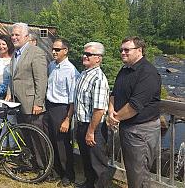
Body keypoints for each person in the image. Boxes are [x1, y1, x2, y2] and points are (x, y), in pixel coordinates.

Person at [108, 36, 161, 188]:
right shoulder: (125, 70)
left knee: (139, 175)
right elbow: (114, 93)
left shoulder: (148, 72)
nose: (123, 53)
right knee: (133, 172)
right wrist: (111, 110)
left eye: (126, 50)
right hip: (127, 127)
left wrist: (113, 118)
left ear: (139, 50)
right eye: (121, 50)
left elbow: (134, 106)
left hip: (141, 132)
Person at [5, 22, 48, 169]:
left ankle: (44, 168)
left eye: (17, 35)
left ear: (26, 36)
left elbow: (41, 80)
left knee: (38, 138)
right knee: (26, 136)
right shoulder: (15, 54)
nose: (14, 37)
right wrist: (10, 94)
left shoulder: (36, 53)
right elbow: (14, 78)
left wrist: (38, 103)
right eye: (13, 35)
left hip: (32, 104)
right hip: (18, 103)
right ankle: (32, 163)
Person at [74, 42, 110, 188]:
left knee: (98, 164)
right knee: (86, 159)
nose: (84, 56)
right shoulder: (84, 73)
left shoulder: (99, 79)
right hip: (82, 124)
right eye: (84, 53)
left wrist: (91, 131)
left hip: (94, 128)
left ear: (98, 58)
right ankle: (89, 184)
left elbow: (99, 109)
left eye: (88, 54)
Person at [44, 38, 79, 187]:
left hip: (62, 109)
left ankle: (68, 175)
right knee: (51, 141)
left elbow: (72, 99)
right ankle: (56, 171)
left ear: (65, 51)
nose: (54, 52)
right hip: (49, 107)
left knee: (62, 143)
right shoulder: (52, 65)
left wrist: (67, 119)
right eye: (53, 49)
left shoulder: (71, 70)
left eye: (57, 50)